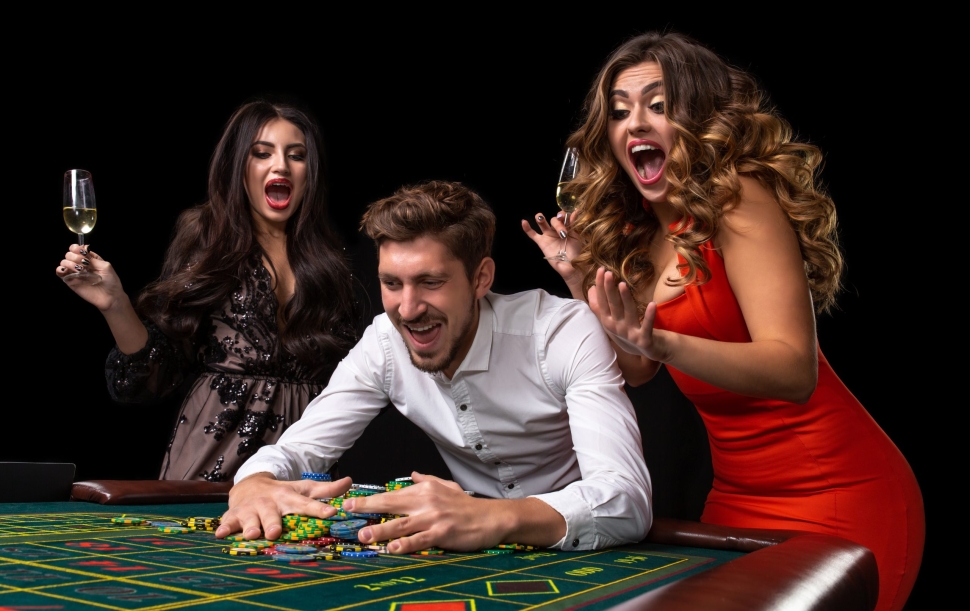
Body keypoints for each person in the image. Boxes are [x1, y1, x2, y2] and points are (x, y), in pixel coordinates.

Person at [523, 32, 923, 611]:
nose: (635, 123)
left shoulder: (739, 201)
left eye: (658, 106)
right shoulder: (638, 233)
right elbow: (637, 367)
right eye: (619, 111)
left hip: (840, 491)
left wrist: (660, 339)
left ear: (699, 119)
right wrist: (581, 274)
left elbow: (793, 370)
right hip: (737, 497)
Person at [217, 180, 652, 553]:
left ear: (481, 278)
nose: (407, 309)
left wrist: (490, 517)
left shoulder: (561, 332)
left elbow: (626, 501)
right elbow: (296, 451)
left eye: (431, 282)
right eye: (392, 283)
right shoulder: (384, 344)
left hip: (583, 552)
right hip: (465, 549)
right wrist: (254, 480)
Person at [55, 100, 359, 482]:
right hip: (211, 466)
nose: (280, 165)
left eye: (296, 156)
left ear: (308, 172)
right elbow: (156, 375)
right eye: (262, 153)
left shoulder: (330, 261)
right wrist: (115, 304)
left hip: (300, 470)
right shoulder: (208, 238)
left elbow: (354, 384)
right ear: (238, 167)